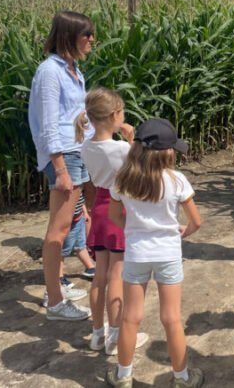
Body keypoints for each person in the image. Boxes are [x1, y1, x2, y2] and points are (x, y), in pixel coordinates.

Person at [106, 118, 204, 388]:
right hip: (168, 254)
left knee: (130, 317)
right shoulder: (177, 180)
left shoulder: (123, 179)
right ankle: (182, 378)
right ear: (168, 152)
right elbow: (196, 222)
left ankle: (124, 377)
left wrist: (134, 229)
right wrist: (181, 232)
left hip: (136, 254)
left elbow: (114, 215)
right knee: (171, 318)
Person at [28, 10, 96, 321]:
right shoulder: (50, 72)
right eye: (87, 34)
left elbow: (79, 119)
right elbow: (48, 125)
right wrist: (60, 169)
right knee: (58, 229)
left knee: (70, 224)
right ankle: (55, 302)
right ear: (69, 37)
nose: (92, 40)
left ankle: (56, 286)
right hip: (63, 156)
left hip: (76, 152)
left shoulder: (74, 71)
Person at [75, 87, 149, 355]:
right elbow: (141, 171)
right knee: (118, 276)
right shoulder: (119, 148)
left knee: (100, 277)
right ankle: (117, 336)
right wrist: (132, 140)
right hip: (120, 210)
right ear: (115, 115)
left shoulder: (85, 145)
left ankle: (97, 333)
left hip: (100, 211)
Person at [60, 193, 96, 285]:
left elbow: (79, 195)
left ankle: (90, 268)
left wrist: (84, 212)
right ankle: (58, 277)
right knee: (62, 250)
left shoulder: (76, 182)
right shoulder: (64, 182)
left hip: (79, 217)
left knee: (80, 245)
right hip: (69, 221)